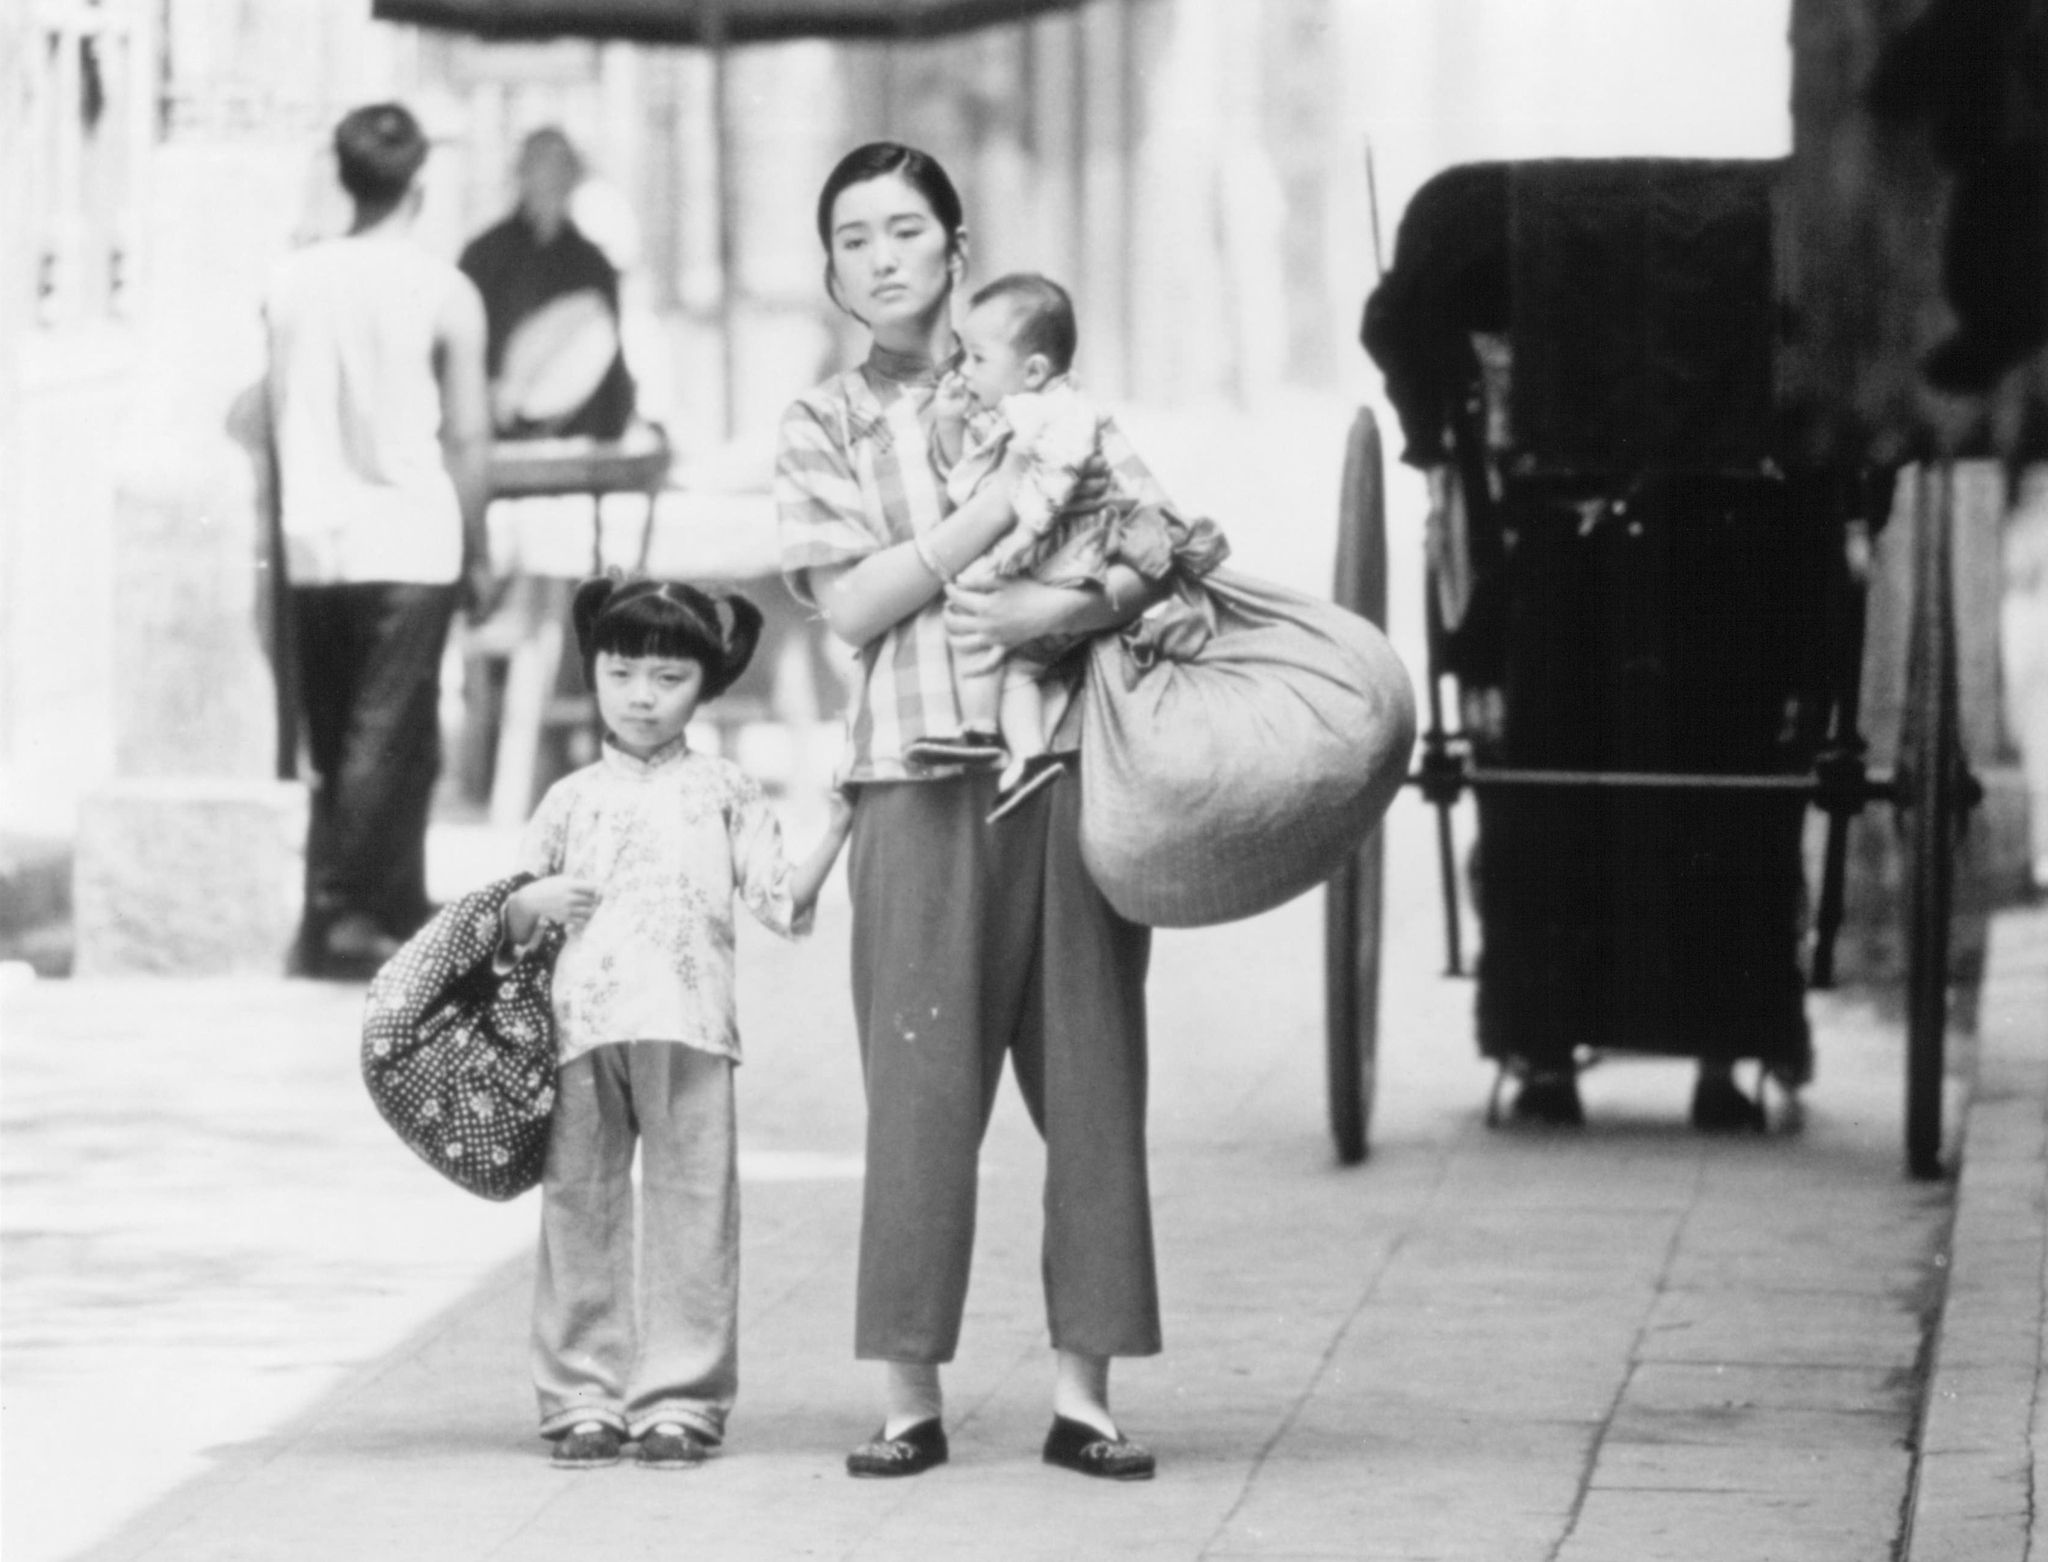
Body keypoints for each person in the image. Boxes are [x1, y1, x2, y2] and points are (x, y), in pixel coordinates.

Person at [777, 142, 1192, 1483]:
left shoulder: (1047, 390)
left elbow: (1158, 547)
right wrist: (992, 522)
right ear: (832, 269)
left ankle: (1088, 1391)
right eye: (853, 237)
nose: (882, 256)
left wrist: (1057, 607)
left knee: (1092, 1077)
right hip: (909, 780)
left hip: (1063, 772)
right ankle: (909, 1393)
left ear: (959, 249)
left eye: (907, 230)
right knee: (917, 1091)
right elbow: (847, 604)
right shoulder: (821, 423)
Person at [503, 576, 854, 1469]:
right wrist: (530, 902)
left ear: (708, 682)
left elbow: (780, 902)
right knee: (579, 1209)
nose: (643, 698)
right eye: (622, 675)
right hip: (579, 1033)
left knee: (696, 1212)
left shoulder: (729, 791)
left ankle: (681, 1400)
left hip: (692, 1030)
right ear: (596, 675)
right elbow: (499, 923)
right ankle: (582, 1395)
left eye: (668, 678)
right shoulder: (569, 797)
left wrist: (844, 821)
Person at [264, 101, 495, 977]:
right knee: (391, 734)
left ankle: (393, 895)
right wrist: (475, 544)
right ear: (420, 186)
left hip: (315, 539)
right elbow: (469, 435)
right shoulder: (443, 289)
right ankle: (349, 914)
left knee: (341, 729)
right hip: (409, 536)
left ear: (344, 177)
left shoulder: (291, 280)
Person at [910, 272, 1147, 818]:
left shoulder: (1064, 415)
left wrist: (1020, 538)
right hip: (1051, 566)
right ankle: (1025, 756)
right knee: (1017, 669)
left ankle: (980, 731)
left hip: (1065, 566)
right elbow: (966, 481)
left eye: (975, 359)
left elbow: (1051, 485)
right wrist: (950, 424)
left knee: (974, 604)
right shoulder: (1014, 414)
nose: (964, 372)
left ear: (1034, 370)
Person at [459, 127, 636, 440]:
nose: (549, 179)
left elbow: (605, 359)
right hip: (498, 438)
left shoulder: (594, 266)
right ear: (521, 175)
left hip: (577, 443)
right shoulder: (483, 258)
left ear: (573, 178)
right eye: (539, 166)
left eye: (559, 168)